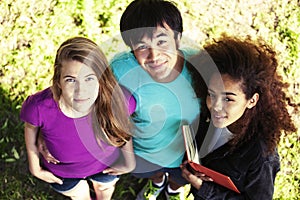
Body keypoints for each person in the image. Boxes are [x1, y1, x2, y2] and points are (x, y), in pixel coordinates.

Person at [181, 36, 297, 199]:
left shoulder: (261, 156)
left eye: (228, 99)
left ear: (252, 100)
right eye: (211, 94)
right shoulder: (206, 112)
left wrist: (204, 188)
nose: (215, 106)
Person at [20, 37, 136, 200]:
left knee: (105, 189)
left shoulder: (118, 102)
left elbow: (123, 129)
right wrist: (35, 167)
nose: (81, 91)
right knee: (78, 195)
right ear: (58, 81)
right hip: (63, 172)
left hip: (106, 166)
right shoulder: (39, 107)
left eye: (89, 78)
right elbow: (31, 127)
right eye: (71, 80)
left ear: (101, 79)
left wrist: (129, 161)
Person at [110, 0, 200, 199]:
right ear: (131, 49)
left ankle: (173, 189)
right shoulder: (119, 70)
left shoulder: (199, 66)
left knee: (180, 178)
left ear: (177, 39)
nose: (154, 55)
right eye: (142, 46)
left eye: (161, 42)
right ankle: (157, 183)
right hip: (144, 152)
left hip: (184, 155)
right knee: (152, 173)